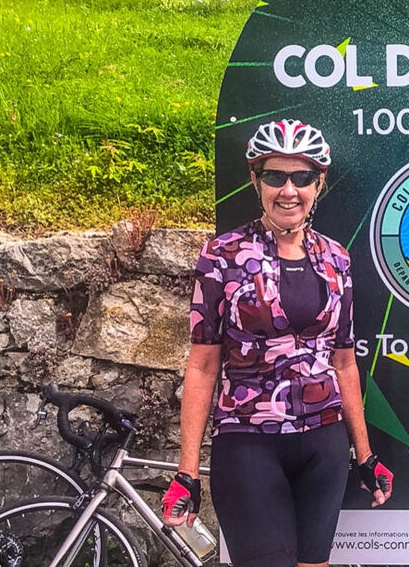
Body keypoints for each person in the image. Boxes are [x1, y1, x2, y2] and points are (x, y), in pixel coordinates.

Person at [162, 119, 393, 567]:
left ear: (319, 183)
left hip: (324, 444)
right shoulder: (221, 256)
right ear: (256, 180)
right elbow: (203, 366)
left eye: (302, 177)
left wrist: (364, 455)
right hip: (248, 443)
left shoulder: (335, 258)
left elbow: (343, 362)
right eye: (275, 176)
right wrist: (187, 472)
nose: (289, 190)